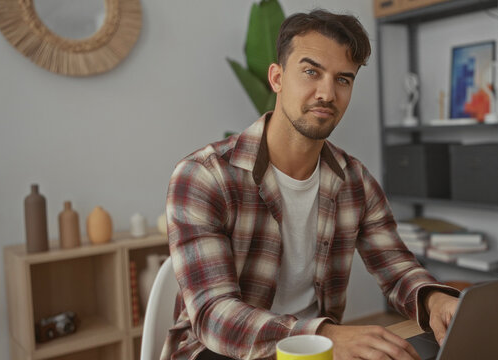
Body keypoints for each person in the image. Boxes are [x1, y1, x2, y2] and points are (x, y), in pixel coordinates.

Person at [161, 9, 460, 360]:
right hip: (220, 351)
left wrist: (433, 298)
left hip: (320, 352)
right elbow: (214, 316)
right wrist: (325, 334)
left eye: (343, 80)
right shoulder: (203, 176)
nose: (327, 93)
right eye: (310, 72)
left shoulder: (355, 180)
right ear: (277, 77)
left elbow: (396, 268)